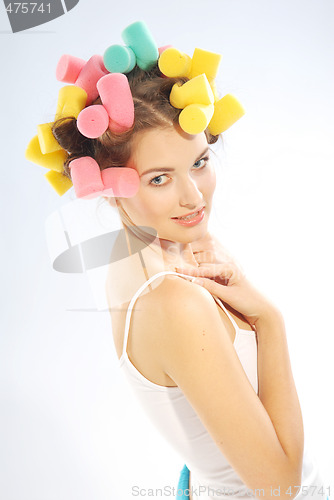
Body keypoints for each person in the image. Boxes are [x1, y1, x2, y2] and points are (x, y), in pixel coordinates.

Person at [27, 21, 327, 500]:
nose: (193, 197)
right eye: (159, 179)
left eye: (200, 163)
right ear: (110, 187)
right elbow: (281, 488)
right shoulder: (172, 300)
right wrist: (271, 321)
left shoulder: (169, 250)